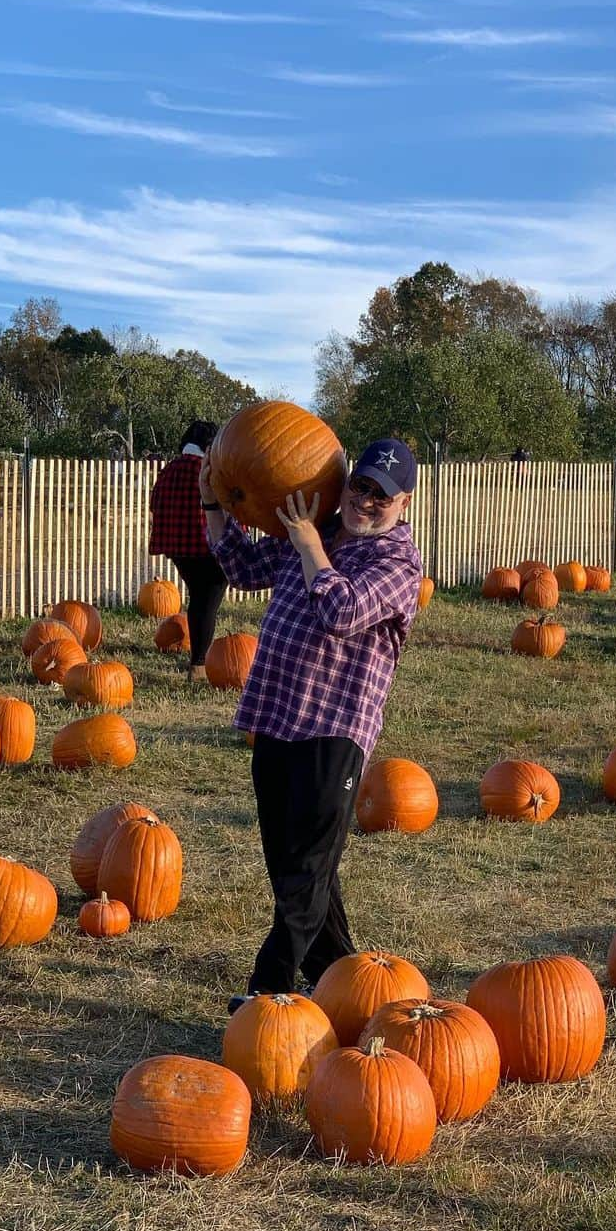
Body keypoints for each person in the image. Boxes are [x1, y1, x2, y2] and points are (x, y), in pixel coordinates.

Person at [199, 438, 423, 1014]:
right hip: (277, 715)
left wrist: (309, 548)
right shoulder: (319, 527)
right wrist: (214, 506)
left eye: (382, 495)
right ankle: (340, 977)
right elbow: (244, 568)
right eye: (361, 486)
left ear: (404, 503)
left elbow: (342, 612)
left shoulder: (397, 563)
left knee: (304, 871)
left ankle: (265, 995)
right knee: (294, 865)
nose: (367, 501)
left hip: (335, 729)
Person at [149, 420, 229, 682]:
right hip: (206, 547)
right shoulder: (207, 471)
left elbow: (154, 503)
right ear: (209, 446)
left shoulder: (169, 469)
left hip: (177, 547)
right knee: (207, 601)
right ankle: (199, 665)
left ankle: (199, 660)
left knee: (199, 597)